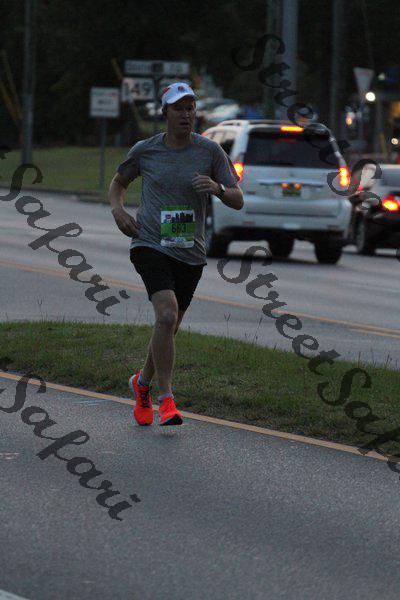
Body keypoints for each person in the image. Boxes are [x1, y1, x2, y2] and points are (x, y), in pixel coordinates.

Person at [108, 82, 243, 426]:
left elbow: (237, 199)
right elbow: (119, 183)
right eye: (178, 108)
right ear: (165, 112)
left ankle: (141, 384)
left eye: (190, 108)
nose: (185, 114)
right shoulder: (146, 150)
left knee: (169, 326)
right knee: (166, 315)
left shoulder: (210, 151)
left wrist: (217, 188)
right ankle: (166, 399)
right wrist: (119, 211)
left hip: (190, 252)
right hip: (149, 243)